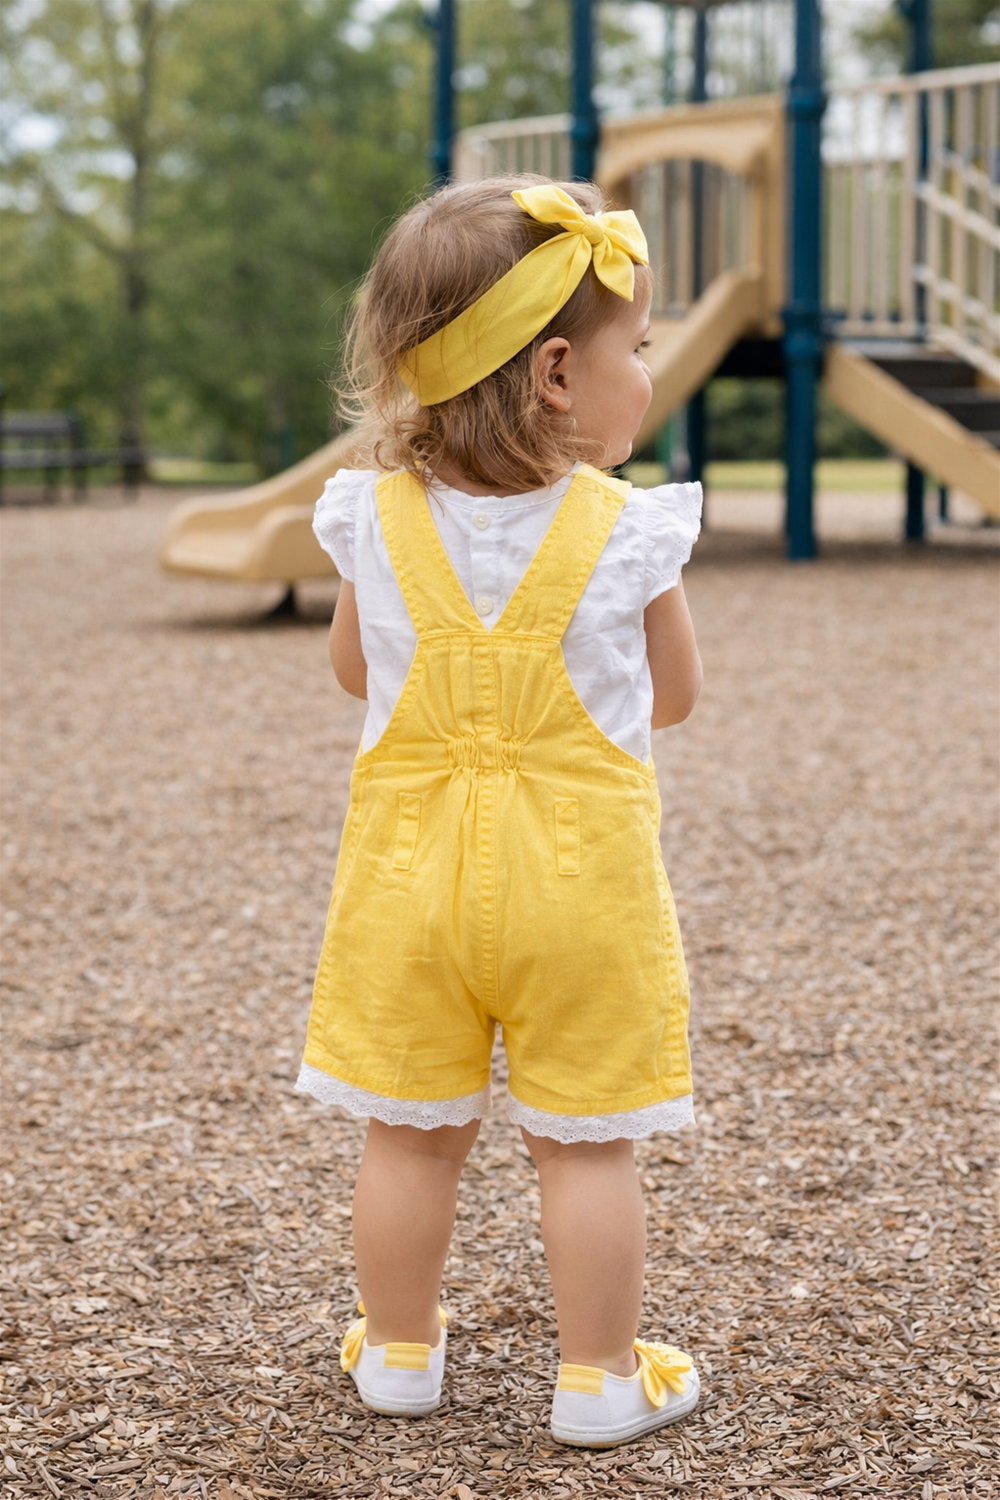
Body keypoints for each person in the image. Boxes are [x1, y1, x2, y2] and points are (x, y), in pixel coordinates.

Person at [296, 174, 704, 1449]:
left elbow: (355, 672)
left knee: (411, 1138)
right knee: (583, 1146)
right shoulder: (624, 532)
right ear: (559, 376)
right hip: (581, 891)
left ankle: (400, 1355)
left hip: (407, 883)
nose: (650, 371)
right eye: (638, 348)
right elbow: (676, 697)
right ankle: (596, 1380)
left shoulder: (374, 516)